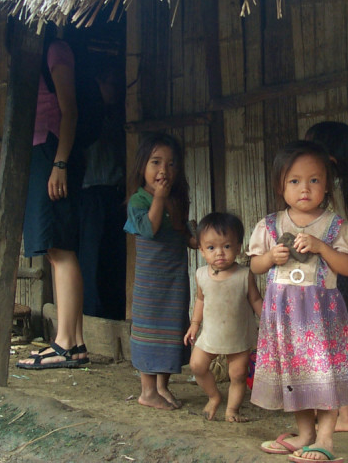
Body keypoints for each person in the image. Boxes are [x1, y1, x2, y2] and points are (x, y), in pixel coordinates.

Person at [249, 140, 348, 463]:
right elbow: (255, 266)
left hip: (320, 318)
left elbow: (347, 267)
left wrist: (321, 247)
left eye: (314, 180)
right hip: (284, 318)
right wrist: (271, 257)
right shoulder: (270, 225)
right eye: (294, 181)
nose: (305, 189)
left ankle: (326, 439)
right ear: (280, 185)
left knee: (324, 375)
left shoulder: (335, 225)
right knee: (294, 375)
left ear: (327, 185)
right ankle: (305, 434)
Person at [17, 30, 87, 369]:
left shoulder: (56, 50)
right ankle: (73, 341)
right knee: (55, 250)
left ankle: (66, 344)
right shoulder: (38, 54)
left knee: (60, 249)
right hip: (43, 154)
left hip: (52, 152)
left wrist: (59, 164)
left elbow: (69, 111)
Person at [124, 132, 197, 410]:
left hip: (175, 278)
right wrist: (160, 198)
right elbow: (150, 228)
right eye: (156, 162)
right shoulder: (139, 201)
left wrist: (202, 241)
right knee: (149, 329)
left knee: (172, 329)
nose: (164, 170)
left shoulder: (177, 200)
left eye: (171, 163)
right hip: (150, 283)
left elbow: (184, 234)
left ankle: (162, 386)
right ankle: (147, 391)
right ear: (142, 165)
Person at [305, 121, 348, 433]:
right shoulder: (346, 190)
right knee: (332, 342)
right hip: (337, 276)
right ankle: (337, 410)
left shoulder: (327, 193)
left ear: (327, 159)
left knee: (330, 343)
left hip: (329, 278)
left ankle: (346, 415)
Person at [183, 212, 263, 423]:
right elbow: (200, 300)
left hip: (238, 336)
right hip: (211, 333)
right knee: (197, 365)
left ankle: (232, 410)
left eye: (226, 246)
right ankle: (214, 396)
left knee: (238, 374)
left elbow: (255, 299)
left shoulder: (244, 274)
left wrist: (267, 321)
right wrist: (194, 324)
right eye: (211, 248)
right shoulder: (201, 275)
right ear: (201, 250)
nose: (219, 253)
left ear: (238, 247)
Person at [77, 60, 127, 320]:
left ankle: (113, 311)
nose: (115, 89)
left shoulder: (119, 116)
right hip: (92, 193)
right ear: (98, 82)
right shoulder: (87, 115)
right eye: (111, 83)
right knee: (91, 256)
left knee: (113, 256)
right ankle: (92, 314)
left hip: (116, 194)